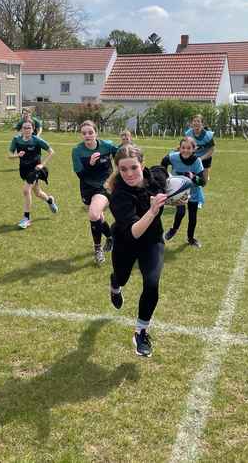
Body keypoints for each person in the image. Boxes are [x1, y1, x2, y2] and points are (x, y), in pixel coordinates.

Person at [105, 144, 168, 357]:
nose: (129, 173)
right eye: (123, 169)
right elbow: (133, 233)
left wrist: (179, 197)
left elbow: (169, 180)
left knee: (151, 282)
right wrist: (152, 211)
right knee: (122, 278)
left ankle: (140, 332)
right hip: (126, 243)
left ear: (142, 164)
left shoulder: (156, 177)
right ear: (118, 170)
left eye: (134, 167)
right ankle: (115, 284)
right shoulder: (119, 195)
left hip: (153, 242)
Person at [72, 120, 118, 264]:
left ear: (96, 133)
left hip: (104, 186)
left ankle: (97, 249)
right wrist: (90, 164)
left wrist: (114, 176)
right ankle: (111, 237)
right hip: (87, 187)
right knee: (99, 218)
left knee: (93, 214)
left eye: (90, 132)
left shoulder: (107, 146)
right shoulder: (77, 151)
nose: (87, 135)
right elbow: (81, 175)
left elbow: (122, 157)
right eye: (84, 133)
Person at [9, 120, 58, 228]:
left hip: (35, 169)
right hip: (23, 170)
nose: (26, 130)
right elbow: (9, 155)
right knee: (37, 192)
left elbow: (51, 152)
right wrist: (17, 155)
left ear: (33, 129)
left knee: (26, 191)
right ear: (21, 129)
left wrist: (42, 164)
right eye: (24, 128)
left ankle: (26, 218)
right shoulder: (16, 140)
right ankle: (50, 200)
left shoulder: (37, 140)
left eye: (29, 128)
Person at [161, 137, 207, 248]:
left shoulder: (197, 161)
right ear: (179, 148)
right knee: (180, 212)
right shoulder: (173, 157)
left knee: (192, 216)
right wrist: (165, 176)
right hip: (179, 192)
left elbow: (203, 182)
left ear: (193, 149)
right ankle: (173, 230)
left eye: (189, 148)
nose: (185, 150)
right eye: (183, 148)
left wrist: (193, 177)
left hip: (193, 192)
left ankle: (190, 238)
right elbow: (163, 162)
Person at [184, 114, 215, 182]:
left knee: (204, 181)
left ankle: (204, 176)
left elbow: (212, 150)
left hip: (206, 157)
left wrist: (201, 158)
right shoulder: (188, 133)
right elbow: (185, 146)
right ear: (191, 123)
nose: (196, 123)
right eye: (194, 121)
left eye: (198, 121)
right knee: (189, 177)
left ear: (202, 124)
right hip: (194, 156)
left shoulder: (207, 135)